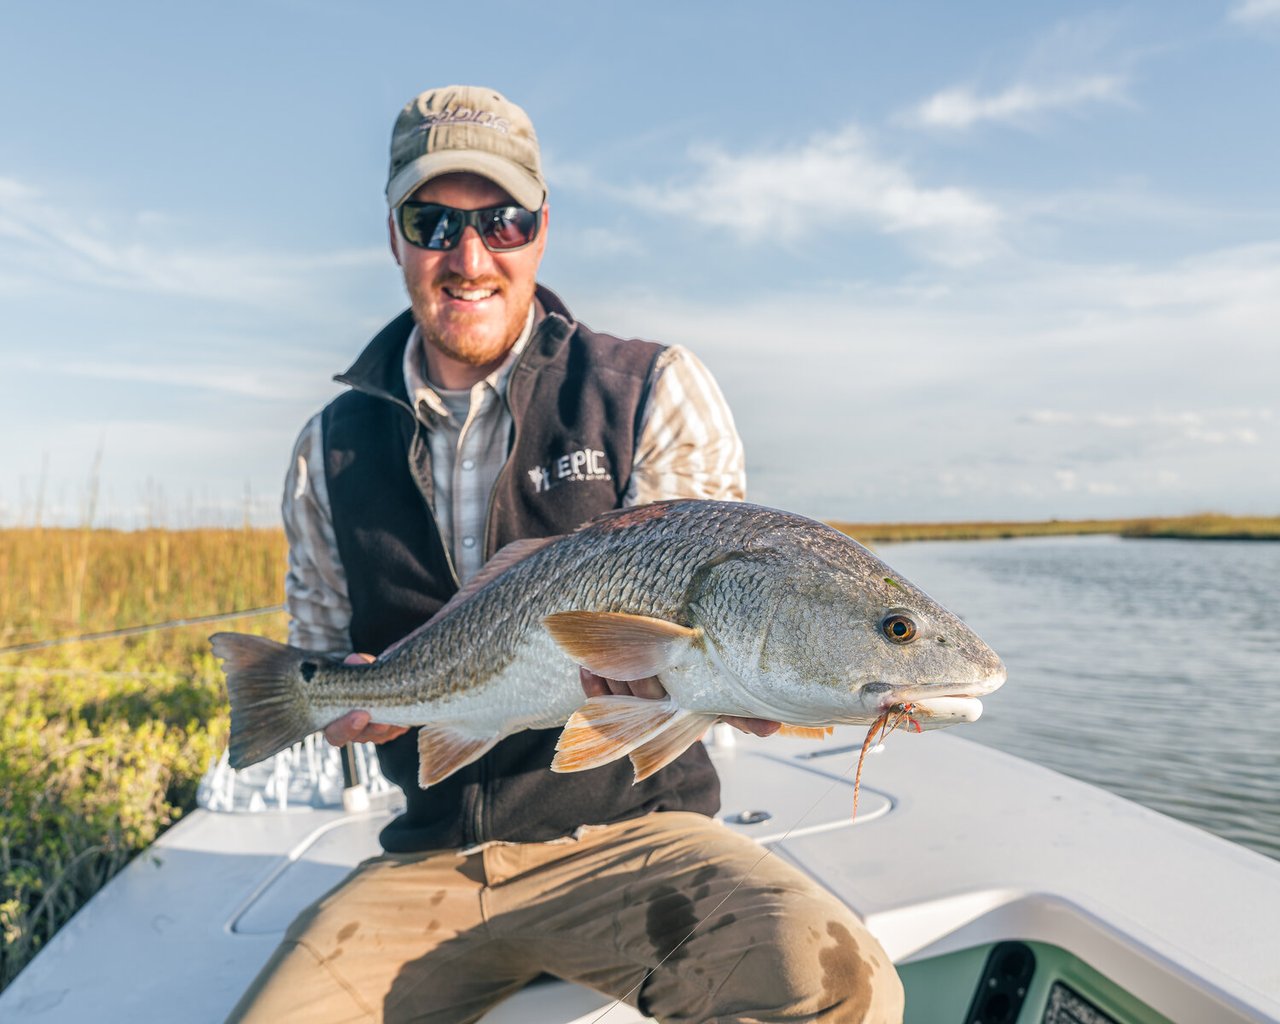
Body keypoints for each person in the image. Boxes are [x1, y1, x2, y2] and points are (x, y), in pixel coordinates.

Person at [227, 85, 904, 1024]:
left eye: (502, 221)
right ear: (394, 237)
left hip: (635, 842)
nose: (470, 258)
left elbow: (718, 623)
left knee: (834, 984)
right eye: (434, 221)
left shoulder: (651, 387)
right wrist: (339, 699)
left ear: (542, 229)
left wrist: (748, 690)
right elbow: (318, 638)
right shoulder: (326, 446)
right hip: (424, 859)